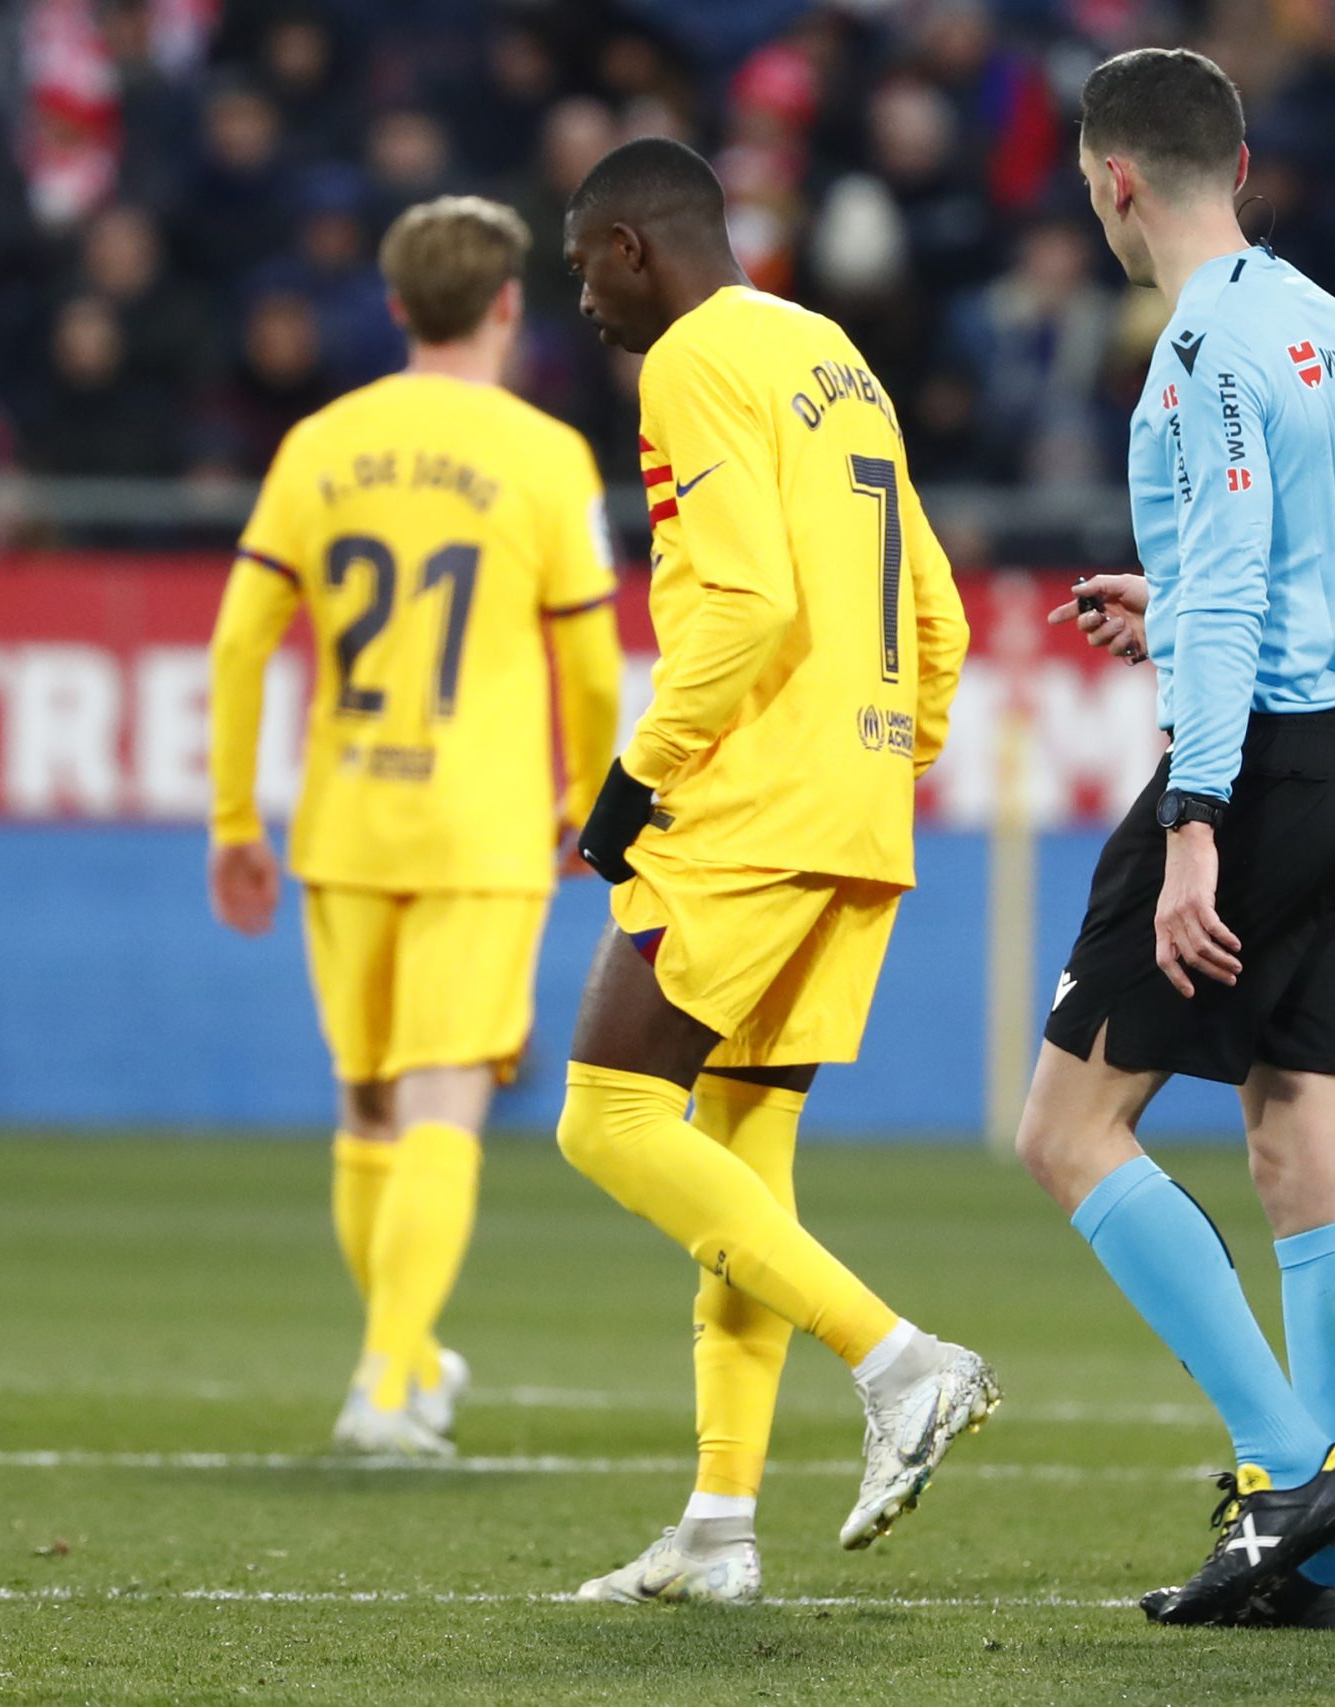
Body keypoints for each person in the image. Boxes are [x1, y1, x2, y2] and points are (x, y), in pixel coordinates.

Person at [1014, 47, 1335, 1633]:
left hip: (1246, 779)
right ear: (1237, 164)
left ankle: (1289, 1472)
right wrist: (1173, 597)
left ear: (1115, 179)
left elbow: (1244, 594)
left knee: (1066, 1129)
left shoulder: (1193, 352)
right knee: (1303, 1152)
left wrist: (1193, 826)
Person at [552, 136, 990, 1605]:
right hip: (852, 803)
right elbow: (935, 611)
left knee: (608, 1115)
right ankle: (721, 1527)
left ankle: (900, 1359)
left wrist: (637, 777)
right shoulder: (836, 357)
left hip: (748, 800)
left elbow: (742, 602)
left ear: (629, 246)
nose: (586, 308)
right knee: (739, 1166)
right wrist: (885, 751)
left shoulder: (687, 361)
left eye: (583, 271)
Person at [206, 196, 623, 1459]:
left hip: (346, 821)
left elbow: (238, 642)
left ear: (394, 307)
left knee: (370, 1109)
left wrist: (234, 815)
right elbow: (595, 667)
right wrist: (590, 798)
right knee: (445, 1102)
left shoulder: (321, 442)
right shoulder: (545, 456)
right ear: (507, 307)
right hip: (484, 825)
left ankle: (402, 1355)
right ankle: (385, 1387)